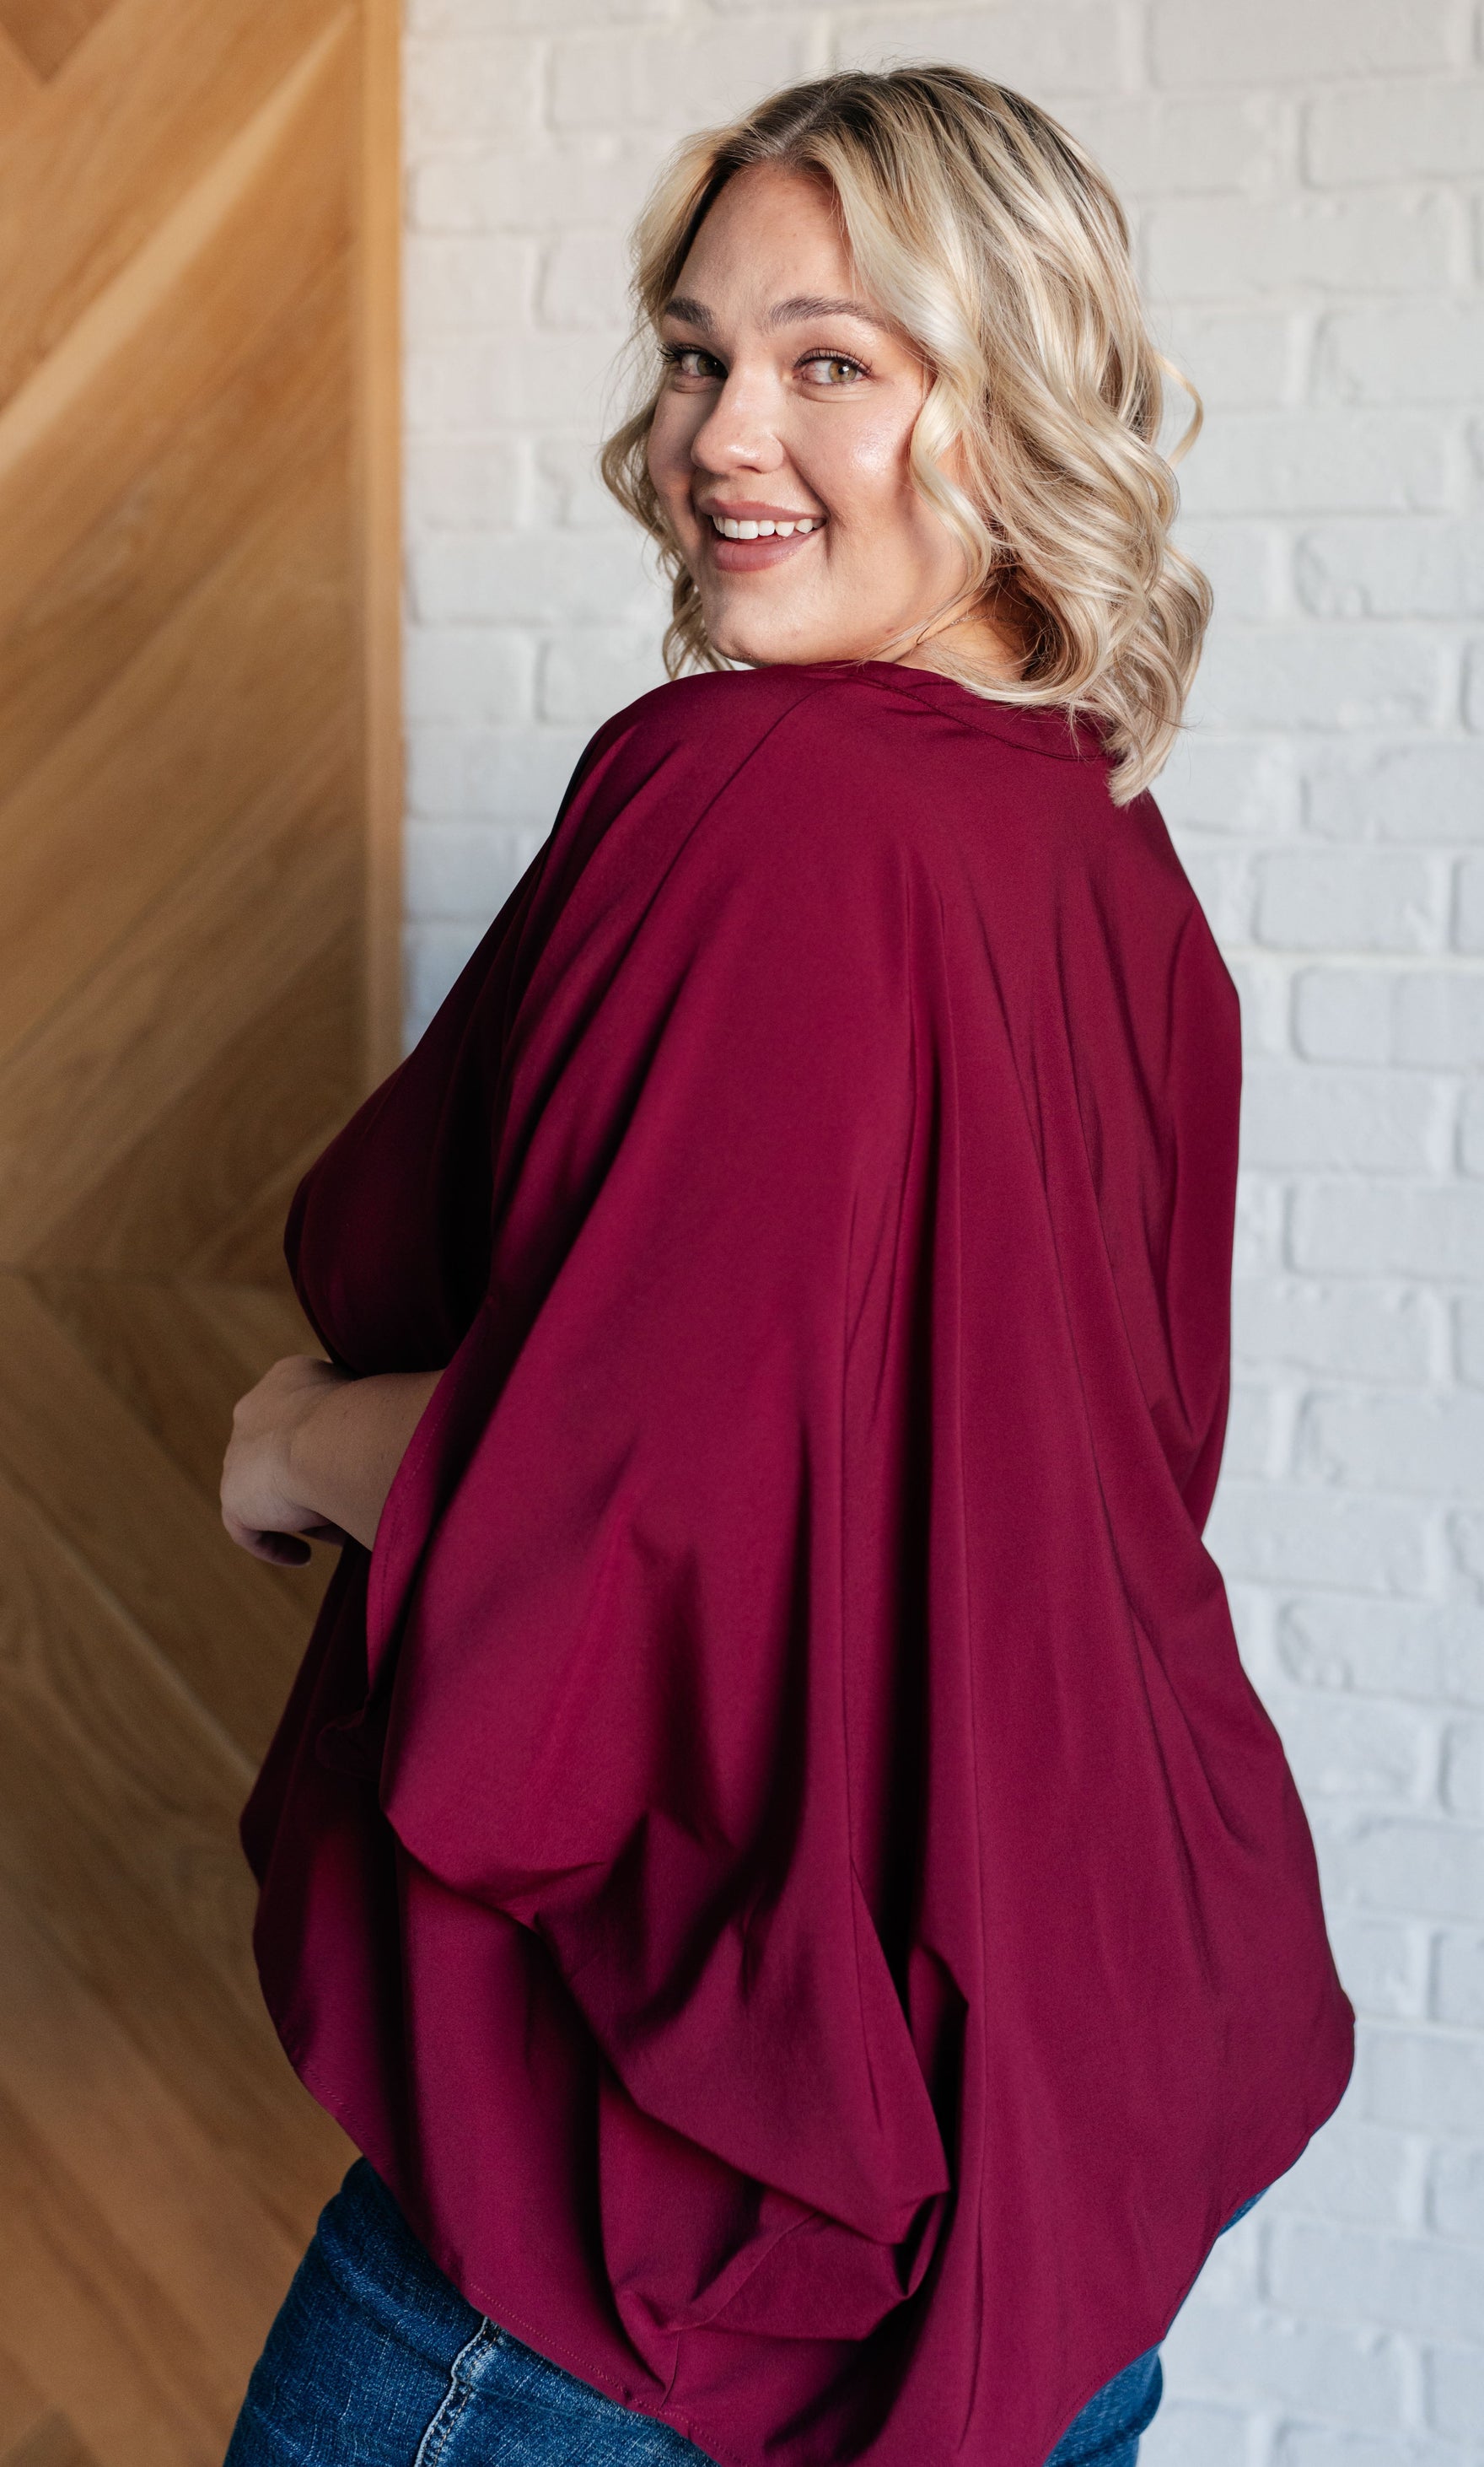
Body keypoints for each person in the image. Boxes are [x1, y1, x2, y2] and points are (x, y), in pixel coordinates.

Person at [219, 65, 1353, 2467]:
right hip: (1060, 2107)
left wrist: (296, 1437)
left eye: (831, 358)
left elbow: (624, 1523)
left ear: (1009, 395)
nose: (725, 431)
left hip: (689, 2179)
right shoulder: (1092, 855)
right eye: (694, 348)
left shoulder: (747, 795)